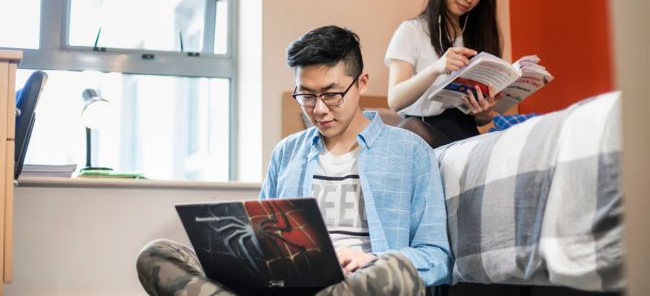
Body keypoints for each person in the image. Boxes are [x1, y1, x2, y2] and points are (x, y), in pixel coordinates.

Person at [136, 26, 452, 296]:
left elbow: (438, 258)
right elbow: (261, 244)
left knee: (396, 271)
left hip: (358, 285)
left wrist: (373, 258)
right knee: (156, 255)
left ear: (362, 82)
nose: (319, 109)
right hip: (286, 285)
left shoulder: (411, 152)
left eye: (332, 94)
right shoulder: (287, 153)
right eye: (307, 96)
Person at [385, 0, 502, 148]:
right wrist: (437, 68)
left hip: (465, 131)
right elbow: (395, 100)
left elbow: (482, 121)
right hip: (422, 129)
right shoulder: (412, 31)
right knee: (409, 131)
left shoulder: (476, 35)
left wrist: (483, 112)